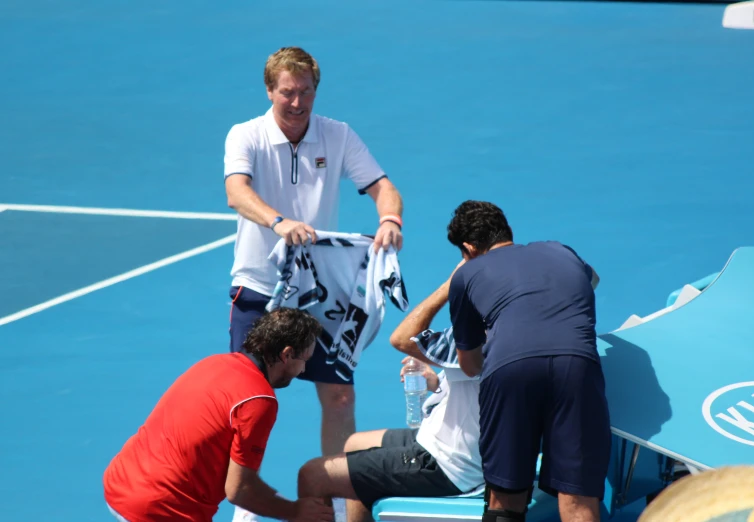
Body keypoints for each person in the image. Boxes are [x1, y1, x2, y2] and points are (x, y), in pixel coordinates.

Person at [223, 46, 404, 459]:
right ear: (269, 90)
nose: (297, 103)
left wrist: (390, 220)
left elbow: (383, 187)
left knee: (340, 397)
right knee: (247, 399)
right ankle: (245, 503)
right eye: (287, 92)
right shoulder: (245, 135)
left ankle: (339, 503)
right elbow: (236, 192)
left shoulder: (337, 134)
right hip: (258, 285)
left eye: (305, 92)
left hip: (319, 296)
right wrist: (278, 222)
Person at [445, 200, 610, 522]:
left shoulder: (466, 275)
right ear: (507, 231)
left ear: (468, 248)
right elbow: (592, 282)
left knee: (505, 498)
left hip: (510, 368)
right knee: (577, 497)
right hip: (577, 364)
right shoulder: (562, 251)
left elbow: (470, 364)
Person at [103, 308, 333, 522]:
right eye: (304, 360)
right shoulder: (258, 400)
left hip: (121, 482)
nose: (303, 370)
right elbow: (239, 489)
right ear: (286, 354)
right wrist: (294, 511)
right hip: (162, 509)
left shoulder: (213, 363)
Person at [293, 265, 483, 522]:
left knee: (313, 476)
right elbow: (475, 383)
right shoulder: (506, 333)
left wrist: (449, 285)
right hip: (452, 443)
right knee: (354, 444)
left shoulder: (474, 337)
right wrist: (436, 383)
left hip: (452, 463)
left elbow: (402, 338)